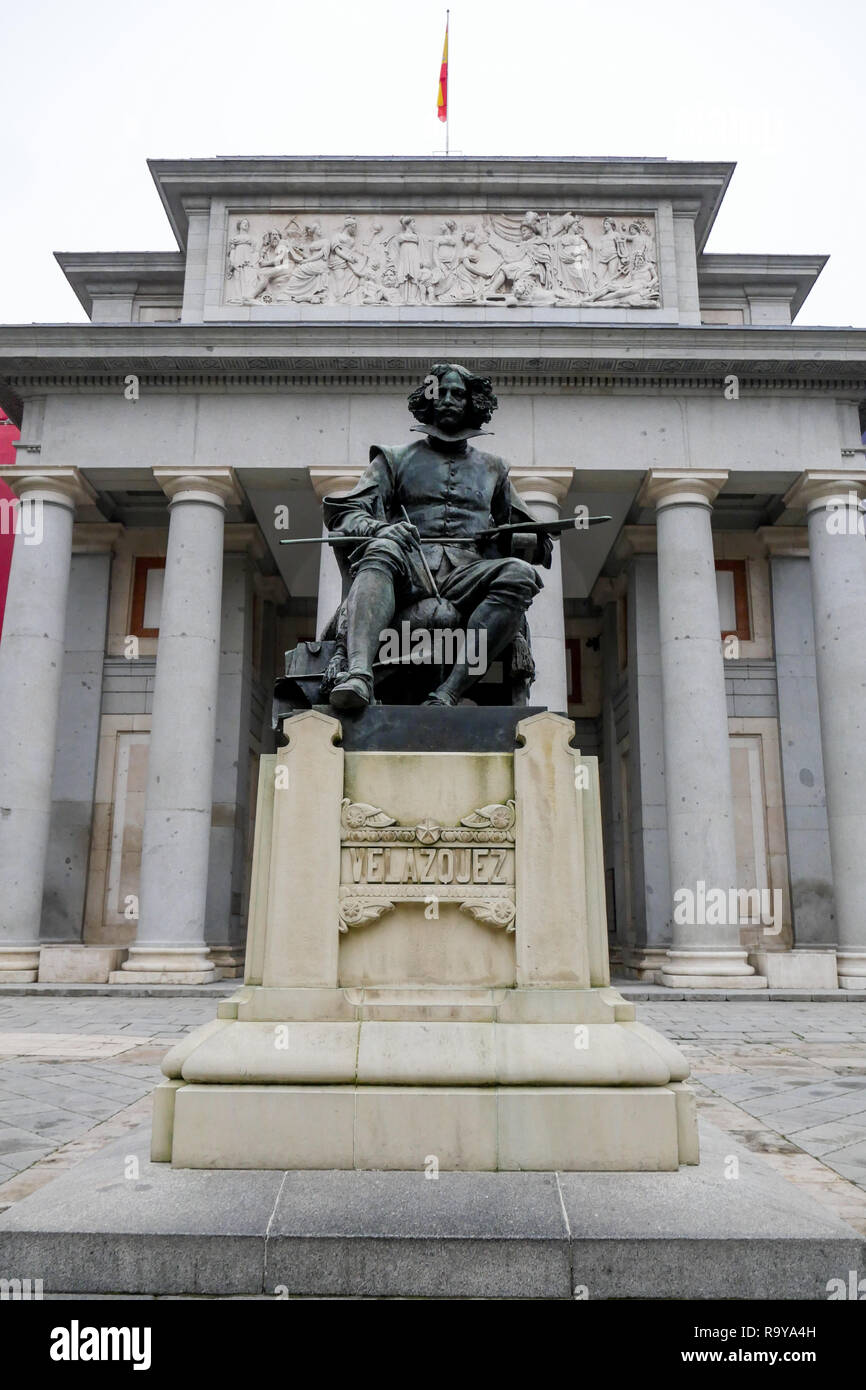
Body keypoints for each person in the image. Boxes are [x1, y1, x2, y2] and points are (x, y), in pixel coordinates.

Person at [322, 363, 552, 709]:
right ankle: (358, 677)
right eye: (438, 392)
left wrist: (526, 541)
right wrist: (381, 528)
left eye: (457, 394)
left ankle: (448, 692)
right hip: (409, 566)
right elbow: (345, 514)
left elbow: (533, 538)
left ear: (472, 403)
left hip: (468, 574)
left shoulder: (494, 468)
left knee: (520, 574)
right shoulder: (393, 459)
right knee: (383, 547)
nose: (447, 400)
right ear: (426, 399)